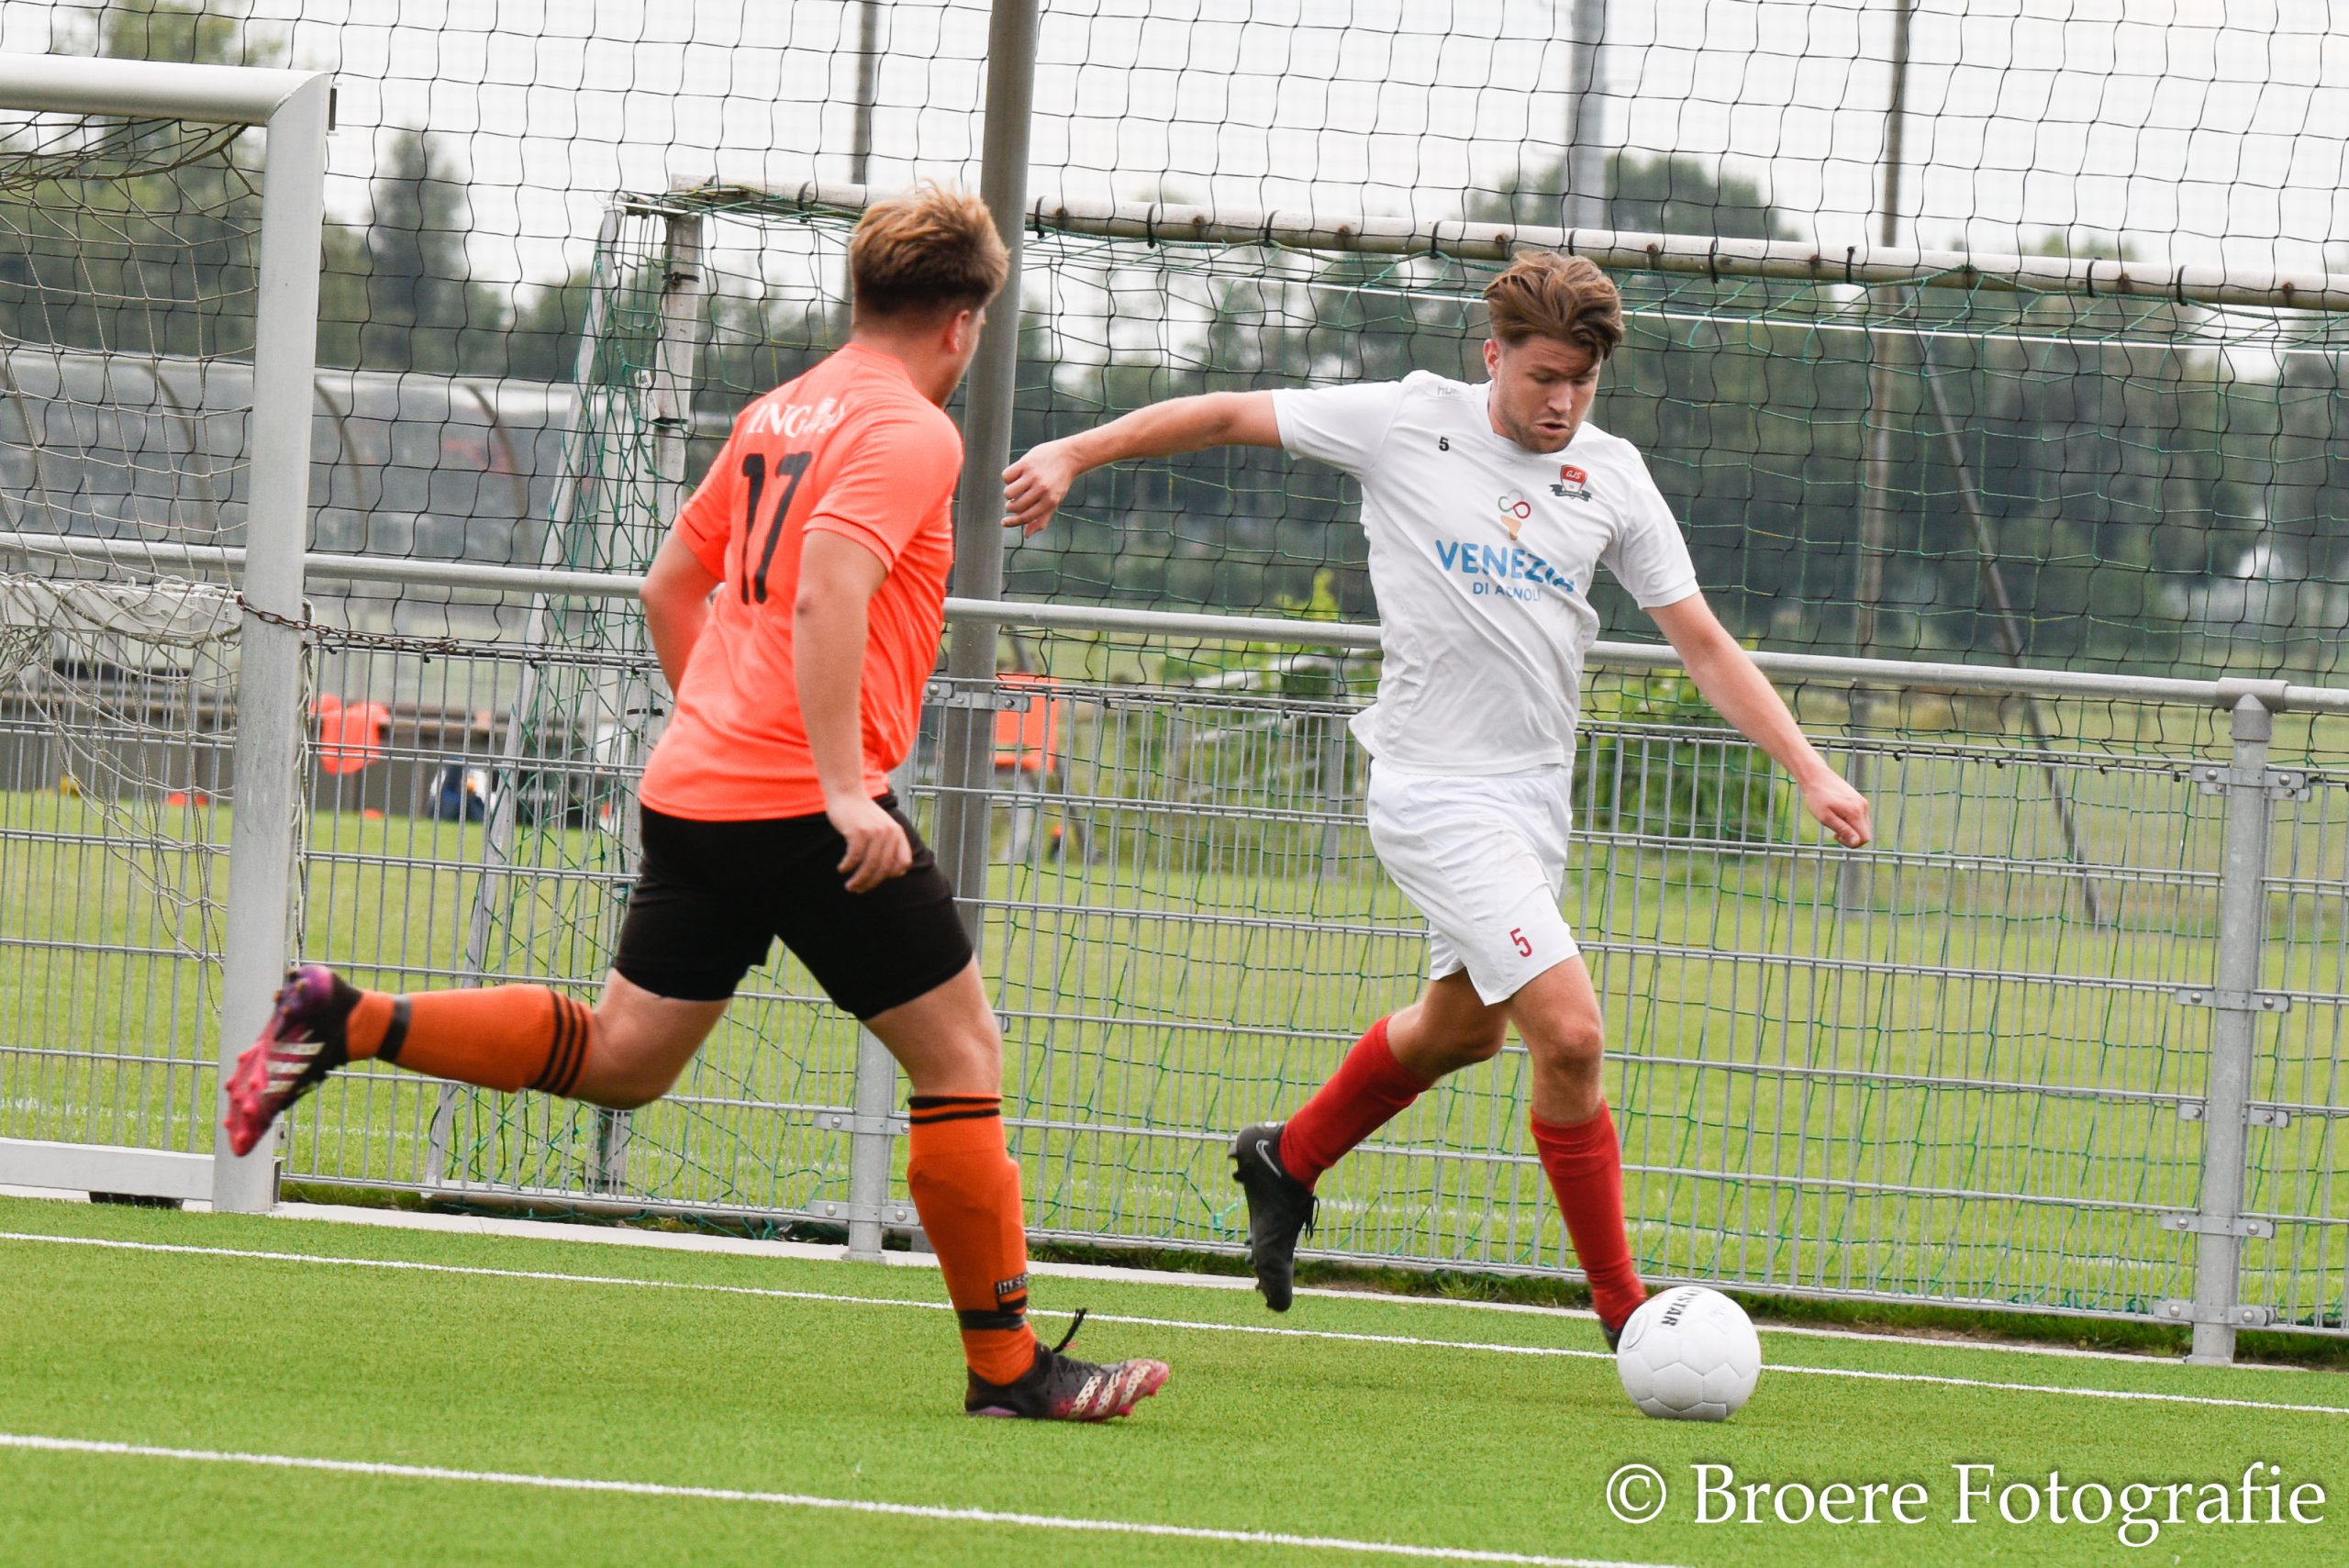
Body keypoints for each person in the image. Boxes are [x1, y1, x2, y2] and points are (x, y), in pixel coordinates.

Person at [225, 185, 1169, 1423]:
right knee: (960, 1057)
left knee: (624, 1059)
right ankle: (1009, 1367)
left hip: (698, 791)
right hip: (807, 808)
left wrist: (722, 726)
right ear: (962, 322)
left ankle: (346, 1017)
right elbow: (828, 589)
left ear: (861, 297)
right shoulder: (911, 429)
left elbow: (671, 585)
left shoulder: (779, 410)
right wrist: (841, 788)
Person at [1001, 251, 1872, 1344]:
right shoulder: (1405, 421)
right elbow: (1224, 412)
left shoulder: (1612, 475)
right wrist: (1073, 450)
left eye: (1582, 381)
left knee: (1461, 1029)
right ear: (1491, 354)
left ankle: (1287, 1157)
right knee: (1570, 1035)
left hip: (1531, 800)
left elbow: (1700, 640)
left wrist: (1810, 766)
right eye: (1543, 376)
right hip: (1430, 792)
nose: (1561, 402)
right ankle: (1626, 1313)